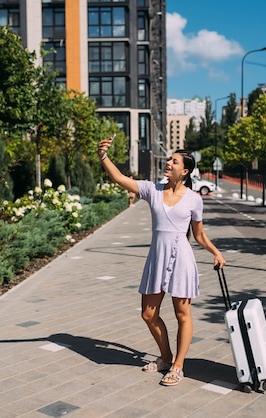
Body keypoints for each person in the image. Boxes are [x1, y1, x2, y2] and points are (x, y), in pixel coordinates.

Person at [97, 137, 226, 386]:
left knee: (182, 314)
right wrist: (103, 156)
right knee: (148, 314)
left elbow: (198, 235)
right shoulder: (152, 190)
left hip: (182, 259)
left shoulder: (194, 199)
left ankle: (178, 366)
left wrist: (216, 252)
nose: (168, 162)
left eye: (174, 161)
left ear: (185, 171)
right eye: (169, 159)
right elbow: (120, 179)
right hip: (157, 258)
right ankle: (165, 358)